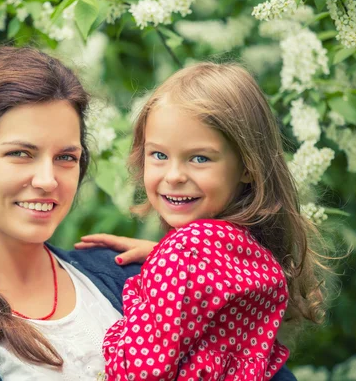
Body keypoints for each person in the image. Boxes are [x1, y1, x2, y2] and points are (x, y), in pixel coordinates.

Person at [0, 47, 297, 381]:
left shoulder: (126, 273)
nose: (48, 180)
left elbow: (258, 365)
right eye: (21, 154)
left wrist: (188, 263)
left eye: (66, 157)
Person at [94, 63, 323, 381]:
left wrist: (130, 311)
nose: (174, 176)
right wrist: (165, 255)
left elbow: (139, 371)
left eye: (199, 158)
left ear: (247, 167)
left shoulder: (186, 254)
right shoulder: (250, 251)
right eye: (158, 155)